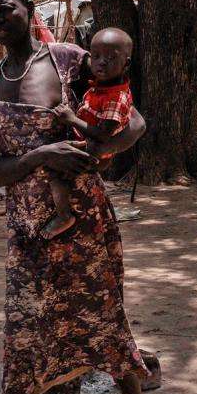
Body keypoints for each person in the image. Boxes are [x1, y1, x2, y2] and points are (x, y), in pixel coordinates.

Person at [0, 0, 151, 394]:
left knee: (101, 322)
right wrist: (38, 157)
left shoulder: (71, 61)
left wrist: (94, 156)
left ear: (29, 9)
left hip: (84, 223)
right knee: (22, 345)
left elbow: (134, 124)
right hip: (28, 231)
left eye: (7, 8)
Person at [48, 27, 134, 238]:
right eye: (96, 56)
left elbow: (104, 136)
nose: (101, 62)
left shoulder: (116, 97)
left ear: (126, 63)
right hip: (89, 146)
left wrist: (72, 119)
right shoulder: (101, 86)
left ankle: (64, 215)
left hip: (94, 149)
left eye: (110, 58)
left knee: (58, 176)